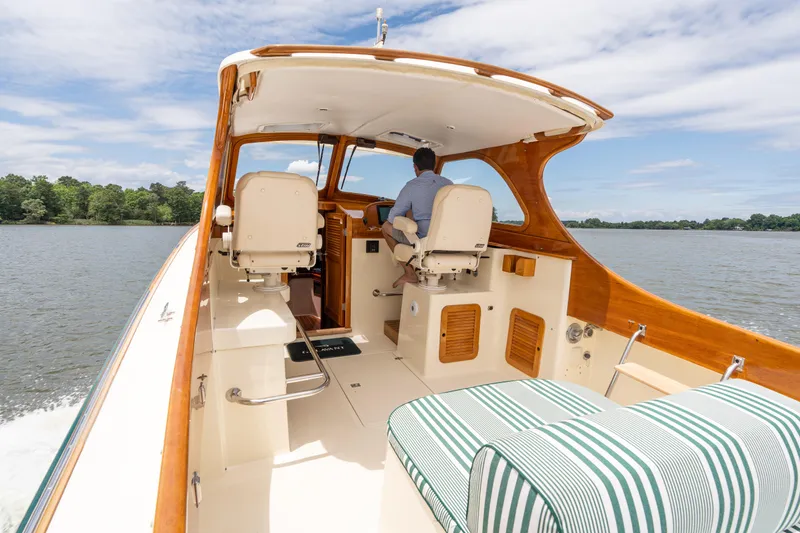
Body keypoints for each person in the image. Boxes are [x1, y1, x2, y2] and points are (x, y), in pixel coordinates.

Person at [382, 147, 453, 287]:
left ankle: (410, 273)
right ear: (434, 165)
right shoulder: (449, 184)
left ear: (415, 167)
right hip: (449, 240)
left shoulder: (412, 186)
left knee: (385, 227)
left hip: (425, 240)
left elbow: (393, 218)